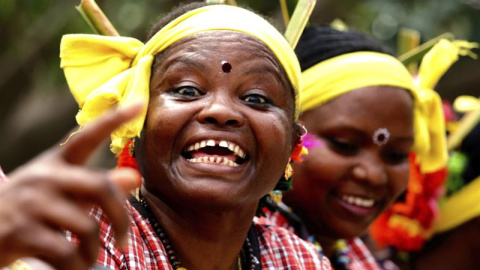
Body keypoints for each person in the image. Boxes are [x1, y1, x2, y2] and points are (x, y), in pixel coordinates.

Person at [2, 2, 332, 270]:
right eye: (187, 90)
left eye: (257, 98)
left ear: (293, 141)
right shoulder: (79, 234)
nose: (220, 110)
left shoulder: (298, 260)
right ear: (137, 123)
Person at [259, 25, 470, 270]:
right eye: (345, 145)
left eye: (396, 155)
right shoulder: (232, 250)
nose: (373, 174)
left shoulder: (358, 260)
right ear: (281, 133)